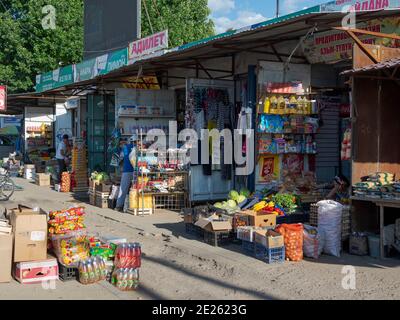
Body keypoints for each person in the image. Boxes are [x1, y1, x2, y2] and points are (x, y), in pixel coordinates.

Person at [115, 135, 138, 212]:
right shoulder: (139, 148)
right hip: (137, 171)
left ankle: (119, 206)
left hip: (127, 170)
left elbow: (121, 158)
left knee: (123, 189)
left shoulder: (125, 147)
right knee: (136, 189)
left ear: (130, 141)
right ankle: (134, 206)